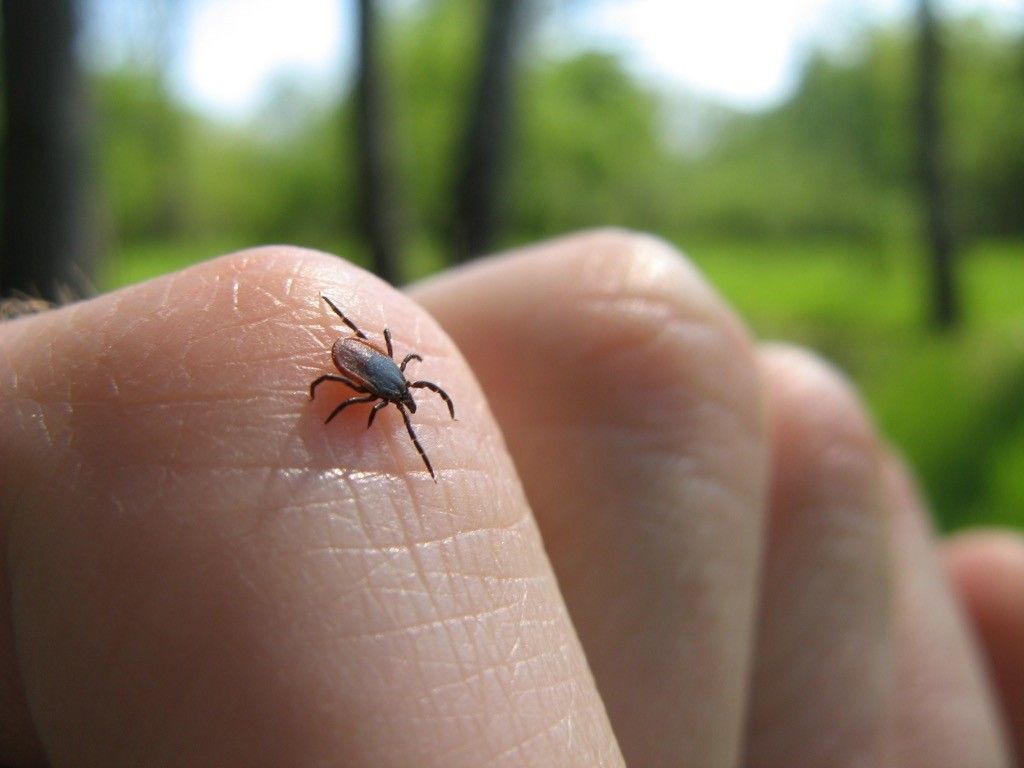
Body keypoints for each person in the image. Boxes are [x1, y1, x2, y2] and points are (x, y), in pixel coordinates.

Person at [0, 231, 1020, 767]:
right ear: (385, 381)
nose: (393, 396)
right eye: (391, 392)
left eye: (393, 393)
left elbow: (348, 377)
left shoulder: (370, 385)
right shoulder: (374, 378)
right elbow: (343, 372)